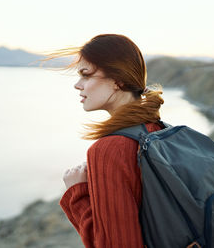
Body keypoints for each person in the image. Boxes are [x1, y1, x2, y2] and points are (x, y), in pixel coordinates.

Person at [42, 34, 165, 247]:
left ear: (117, 80)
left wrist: (77, 193)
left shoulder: (109, 150)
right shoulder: (158, 129)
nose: (78, 85)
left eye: (86, 75)